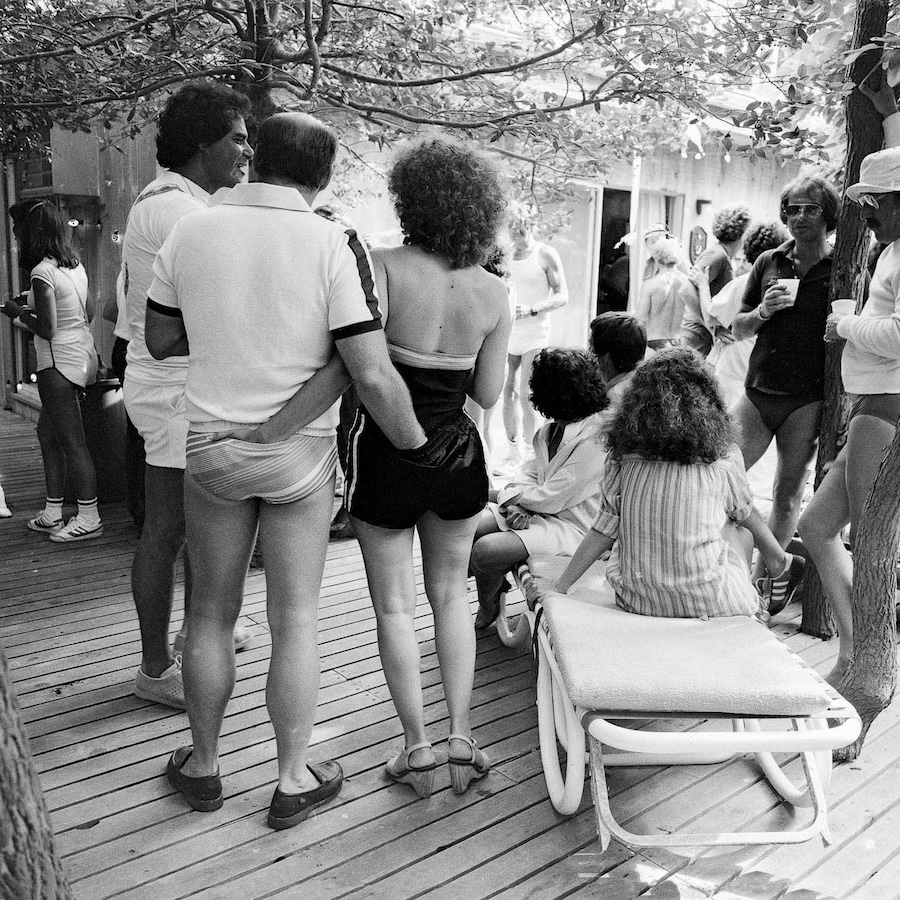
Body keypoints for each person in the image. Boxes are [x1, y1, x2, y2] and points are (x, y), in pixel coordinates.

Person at [146, 111, 429, 828]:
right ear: (323, 174)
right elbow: (368, 369)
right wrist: (419, 448)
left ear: (254, 159)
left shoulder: (189, 227)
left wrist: (223, 322)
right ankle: (292, 777)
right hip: (300, 455)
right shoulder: (335, 241)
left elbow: (158, 335)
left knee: (209, 614)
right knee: (295, 618)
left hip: (210, 445)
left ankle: (204, 769)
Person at [345, 135, 511, 799]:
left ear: (412, 199)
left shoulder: (382, 266)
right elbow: (490, 394)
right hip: (459, 455)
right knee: (450, 595)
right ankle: (462, 735)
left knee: (393, 606)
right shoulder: (495, 291)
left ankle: (415, 747)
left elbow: (365, 368)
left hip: (386, 450)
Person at [121, 82, 255, 709]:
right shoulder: (183, 213)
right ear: (204, 141)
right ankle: (156, 670)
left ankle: (198, 633)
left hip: (170, 384)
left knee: (189, 529)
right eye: (237, 136)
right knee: (172, 530)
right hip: (174, 388)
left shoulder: (171, 203)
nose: (247, 149)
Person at [552, 349, 797, 617]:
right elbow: (744, 511)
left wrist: (561, 585)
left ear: (637, 400)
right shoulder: (723, 454)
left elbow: (603, 529)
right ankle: (766, 582)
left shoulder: (622, 455)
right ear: (707, 398)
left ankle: (777, 564)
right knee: (739, 527)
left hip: (637, 599)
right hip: (709, 599)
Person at [798, 148, 900, 686]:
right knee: (815, 527)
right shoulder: (891, 251)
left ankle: (866, 668)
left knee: (873, 544)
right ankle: (853, 649)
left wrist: (845, 328)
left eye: (878, 202)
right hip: (870, 406)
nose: (869, 213)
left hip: (887, 409)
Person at [730, 172, 840, 608]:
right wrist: (762, 310)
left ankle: (764, 586)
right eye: (793, 208)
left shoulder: (843, 266)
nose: (799, 217)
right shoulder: (769, 261)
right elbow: (735, 327)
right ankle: (763, 566)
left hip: (806, 397)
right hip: (758, 391)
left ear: (828, 216)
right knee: (722, 476)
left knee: (786, 492)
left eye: (811, 209)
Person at [470, 349, 609, 629]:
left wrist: (507, 499)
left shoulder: (597, 438)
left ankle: (489, 601)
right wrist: (517, 504)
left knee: (484, 552)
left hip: (575, 529)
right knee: (468, 529)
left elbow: (554, 496)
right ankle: (492, 594)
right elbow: (527, 474)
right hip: (540, 513)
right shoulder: (549, 431)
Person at [3, 200, 102, 542]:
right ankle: (52, 512)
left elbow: (46, 328)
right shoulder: (74, 266)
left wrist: (17, 311)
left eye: (18, 230)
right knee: (48, 435)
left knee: (74, 443)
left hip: (56, 362)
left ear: (31, 233)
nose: (15, 235)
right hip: (81, 355)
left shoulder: (41, 272)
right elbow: (86, 312)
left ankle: (89, 517)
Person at [498, 207, 568, 470]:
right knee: (507, 391)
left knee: (528, 393)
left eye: (522, 228)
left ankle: (531, 454)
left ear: (530, 226)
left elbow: (562, 296)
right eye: (513, 228)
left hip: (534, 332)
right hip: (507, 331)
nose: (518, 234)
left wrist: (532, 309)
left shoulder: (545, 254)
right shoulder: (503, 256)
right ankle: (512, 452)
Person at [704, 222, 789, 407]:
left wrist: (717, 327)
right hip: (760, 371)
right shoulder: (787, 286)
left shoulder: (741, 283)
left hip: (733, 367)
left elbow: (711, 315)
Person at [681, 205, 751, 356]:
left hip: (702, 334)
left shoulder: (722, 255)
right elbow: (685, 290)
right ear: (742, 232)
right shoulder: (716, 255)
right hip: (697, 334)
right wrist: (711, 326)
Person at [634, 237, 696, 350]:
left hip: (654, 341)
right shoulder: (688, 283)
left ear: (656, 258)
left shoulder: (651, 284)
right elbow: (695, 313)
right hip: (680, 341)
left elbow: (640, 319)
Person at [588, 310, 647, 405]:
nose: (588, 354)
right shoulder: (644, 385)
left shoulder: (615, 399)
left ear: (606, 357)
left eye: (591, 347)